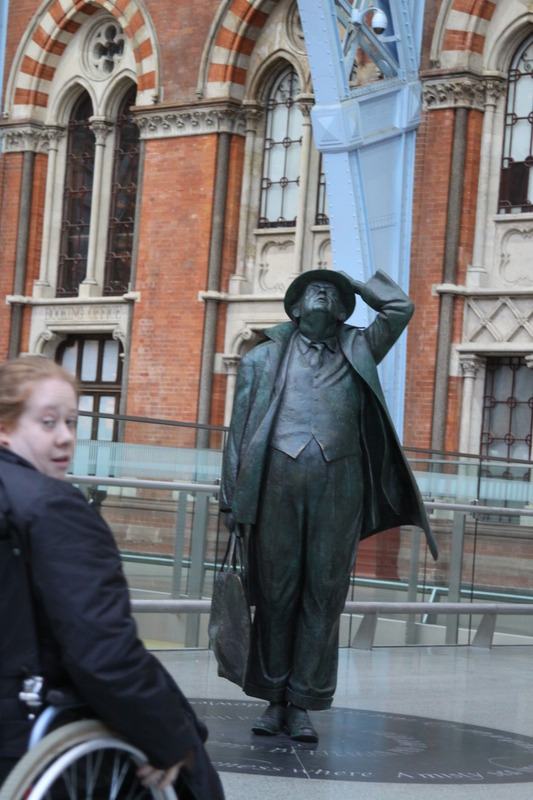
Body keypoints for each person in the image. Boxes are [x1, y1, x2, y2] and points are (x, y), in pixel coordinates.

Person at [220, 268, 438, 743]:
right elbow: (237, 434)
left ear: (343, 311)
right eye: (311, 291)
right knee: (277, 596)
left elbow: (400, 308)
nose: (322, 295)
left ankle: (304, 703)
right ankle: (273, 699)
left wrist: (355, 285)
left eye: (332, 294)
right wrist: (232, 502)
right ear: (294, 310)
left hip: (341, 487)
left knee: (324, 595)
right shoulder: (261, 360)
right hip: (275, 485)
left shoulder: (360, 347)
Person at [0, 356, 224, 800]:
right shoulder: (54, 507)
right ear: (4, 427)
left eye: (71, 421)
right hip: (31, 727)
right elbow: (103, 653)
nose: (65, 437)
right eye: (47, 422)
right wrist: (174, 739)